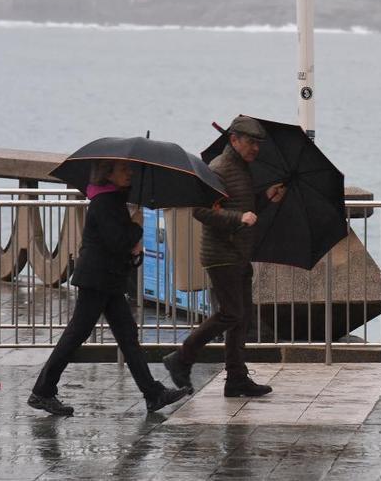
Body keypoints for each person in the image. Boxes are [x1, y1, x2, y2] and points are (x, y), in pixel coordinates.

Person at [28, 159, 189, 416]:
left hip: (109, 280)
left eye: (131, 170)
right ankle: (42, 391)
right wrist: (136, 226)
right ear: (108, 173)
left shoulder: (114, 200)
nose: (130, 174)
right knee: (76, 335)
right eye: (124, 169)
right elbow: (117, 241)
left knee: (127, 337)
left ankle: (153, 394)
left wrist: (134, 247)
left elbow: (121, 246)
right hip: (97, 280)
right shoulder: (105, 202)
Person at [162, 116, 285, 397]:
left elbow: (246, 211)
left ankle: (236, 378)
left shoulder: (243, 169)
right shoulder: (219, 169)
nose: (256, 149)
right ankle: (181, 358)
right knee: (231, 313)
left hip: (239, 252)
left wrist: (266, 198)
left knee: (241, 318)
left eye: (259, 144)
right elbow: (201, 211)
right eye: (251, 142)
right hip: (221, 254)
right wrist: (238, 217)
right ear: (234, 140)